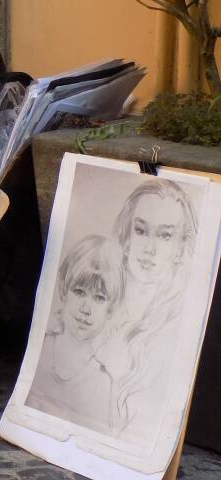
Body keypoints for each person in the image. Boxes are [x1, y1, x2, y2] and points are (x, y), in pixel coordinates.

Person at [98, 178, 198, 440]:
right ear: (127, 235)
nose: (149, 249)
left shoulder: (178, 323)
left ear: (179, 247)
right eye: (141, 230)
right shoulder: (99, 307)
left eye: (165, 235)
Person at [26, 235, 125, 435]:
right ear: (64, 291)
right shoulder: (41, 348)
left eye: (99, 298)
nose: (86, 309)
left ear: (111, 308)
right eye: (79, 292)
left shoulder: (101, 381)